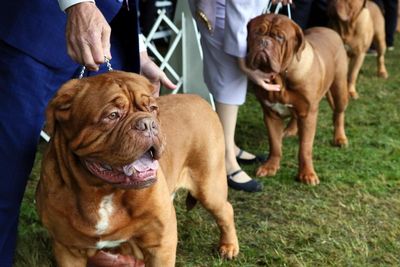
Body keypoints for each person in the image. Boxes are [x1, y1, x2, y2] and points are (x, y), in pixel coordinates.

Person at [0, 0, 175, 265]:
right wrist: (77, 3)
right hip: (36, 30)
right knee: (5, 174)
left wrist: (138, 51)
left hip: (107, 27)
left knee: (122, 150)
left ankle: (109, 239)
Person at [189, 0, 282, 193]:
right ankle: (226, 160)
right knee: (230, 77)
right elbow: (238, 11)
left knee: (231, 77)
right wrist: (243, 62)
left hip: (235, 7)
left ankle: (228, 144)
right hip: (223, 8)